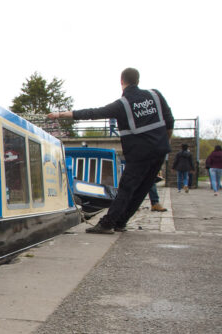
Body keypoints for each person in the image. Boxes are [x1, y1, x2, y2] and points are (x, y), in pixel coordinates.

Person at [47, 68, 173, 234]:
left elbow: (93, 113)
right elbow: (170, 121)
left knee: (126, 188)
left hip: (139, 153)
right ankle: (121, 222)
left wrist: (61, 114)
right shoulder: (155, 95)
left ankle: (107, 224)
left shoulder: (122, 104)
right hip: (159, 150)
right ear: (138, 80)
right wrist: (164, 142)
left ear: (122, 81)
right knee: (142, 189)